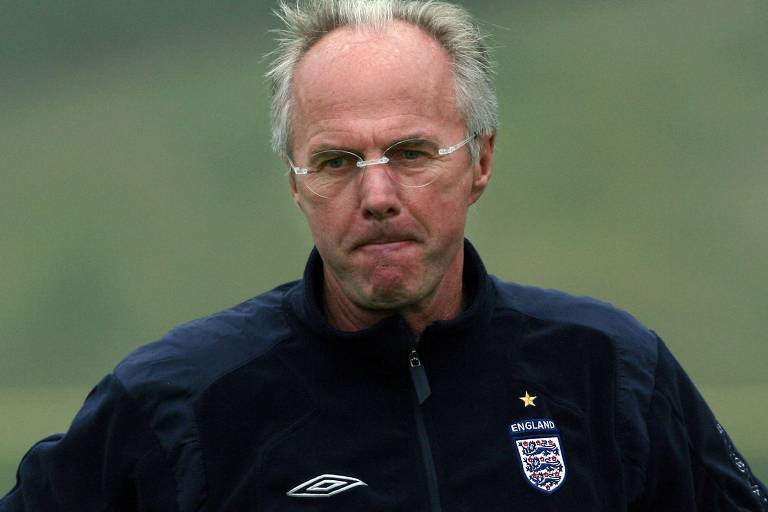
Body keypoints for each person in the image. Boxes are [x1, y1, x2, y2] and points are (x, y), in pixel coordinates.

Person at [2, 0, 766, 510]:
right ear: (295, 184)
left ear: (481, 161)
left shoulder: (610, 373)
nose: (377, 195)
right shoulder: (176, 402)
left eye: (410, 152)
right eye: (336, 162)